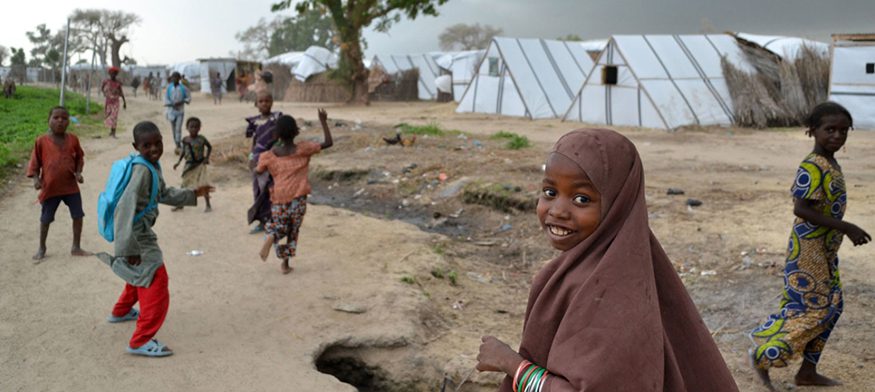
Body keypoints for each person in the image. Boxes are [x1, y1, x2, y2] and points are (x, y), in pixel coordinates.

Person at [475, 129, 738, 391]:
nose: (557, 210)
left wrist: (511, 364)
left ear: (618, 204)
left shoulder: (614, 293)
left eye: (581, 199)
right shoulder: (587, 268)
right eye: (550, 192)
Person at [749, 102, 870, 391]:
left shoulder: (829, 162)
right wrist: (847, 227)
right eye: (830, 130)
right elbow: (801, 209)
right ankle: (764, 354)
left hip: (825, 252)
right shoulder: (812, 165)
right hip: (808, 252)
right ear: (811, 131)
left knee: (834, 306)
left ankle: (807, 372)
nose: (837, 136)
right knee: (814, 310)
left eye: (843, 131)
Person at [96, 121, 213, 357]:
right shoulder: (141, 170)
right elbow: (123, 209)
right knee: (156, 278)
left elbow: (162, 194)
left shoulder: (150, 165)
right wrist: (127, 247)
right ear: (136, 146)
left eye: (157, 142)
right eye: (146, 145)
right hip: (136, 234)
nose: (154, 148)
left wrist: (193, 194)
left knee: (140, 273)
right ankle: (141, 340)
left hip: (138, 231)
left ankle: (120, 311)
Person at [256, 109, 333, 274]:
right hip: (298, 197)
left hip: (279, 197)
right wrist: (323, 121)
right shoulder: (303, 149)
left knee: (280, 225)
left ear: (277, 133)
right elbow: (328, 143)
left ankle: (273, 236)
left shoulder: (269, 155)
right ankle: (285, 264)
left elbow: (258, 170)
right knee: (293, 229)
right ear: (296, 132)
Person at [26, 106, 92, 262]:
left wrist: (78, 173)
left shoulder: (73, 139)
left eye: (64, 118)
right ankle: (42, 247)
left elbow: (79, 158)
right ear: (48, 120)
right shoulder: (41, 141)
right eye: (56, 118)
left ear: (69, 121)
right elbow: (35, 163)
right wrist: (36, 179)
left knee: (78, 215)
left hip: (70, 187)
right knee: (46, 219)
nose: (60, 121)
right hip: (51, 188)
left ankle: (76, 247)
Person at [244, 92, 282, 233]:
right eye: (261, 101)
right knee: (258, 190)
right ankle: (262, 221)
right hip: (258, 160)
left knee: (273, 190)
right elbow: (253, 143)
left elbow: (282, 139)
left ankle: (274, 220)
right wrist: (250, 158)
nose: (264, 103)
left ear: (272, 102)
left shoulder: (277, 119)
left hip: (274, 159)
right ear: (256, 104)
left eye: (267, 101)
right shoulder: (253, 123)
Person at [172, 117, 213, 212]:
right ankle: (180, 204)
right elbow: (183, 152)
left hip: (200, 165)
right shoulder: (185, 140)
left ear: (199, 128)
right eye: (191, 127)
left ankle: (208, 205)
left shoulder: (202, 139)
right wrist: (178, 162)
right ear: (187, 128)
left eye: (196, 127)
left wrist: (206, 158)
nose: (193, 129)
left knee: (203, 184)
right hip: (189, 165)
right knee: (184, 185)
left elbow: (209, 147)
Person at [164, 71, 190, 154]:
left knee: (178, 128)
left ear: (179, 79)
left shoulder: (183, 88)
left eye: (176, 77)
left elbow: (188, 98)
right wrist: (170, 104)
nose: (174, 79)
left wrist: (182, 101)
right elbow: (166, 98)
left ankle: (178, 144)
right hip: (171, 111)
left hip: (180, 111)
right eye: (173, 77)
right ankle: (176, 143)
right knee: (173, 129)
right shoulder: (169, 88)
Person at [101, 66, 127, 138]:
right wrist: (104, 93)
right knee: (109, 116)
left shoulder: (118, 83)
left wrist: (124, 102)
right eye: (111, 73)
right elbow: (102, 88)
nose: (113, 75)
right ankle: (111, 131)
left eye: (114, 73)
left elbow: (121, 92)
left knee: (114, 117)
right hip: (108, 101)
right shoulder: (106, 81)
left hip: (116, 102)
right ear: (109, 74)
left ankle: (113, 132)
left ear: (116, 74)